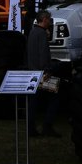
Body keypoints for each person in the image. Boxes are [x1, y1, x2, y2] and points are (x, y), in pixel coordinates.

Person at [26, 10, 60, 138]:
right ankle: (47, 125)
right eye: (49, 20)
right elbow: (43, 54)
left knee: (33, 102)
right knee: (55, 97)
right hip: (41, 73)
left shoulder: (33, 32)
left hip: (32, 71)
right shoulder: (41, 34)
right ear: (44, 19)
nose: (50, 22)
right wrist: (47, 70)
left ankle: (31, 128)